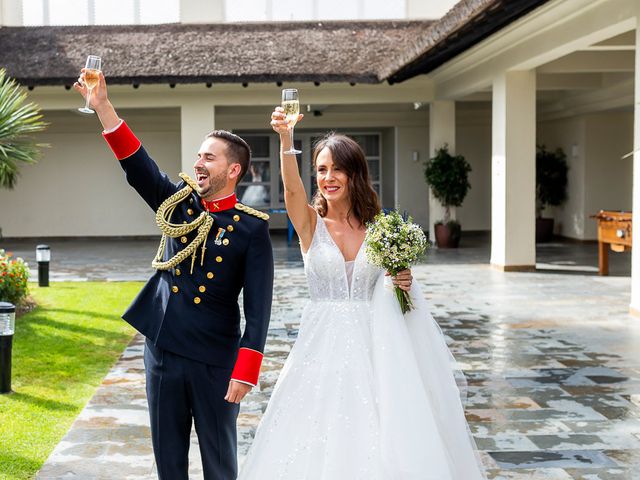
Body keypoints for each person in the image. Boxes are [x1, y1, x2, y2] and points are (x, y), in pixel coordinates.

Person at [238, 108, 486, 479]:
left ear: (355, 174)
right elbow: (292, 189)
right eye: (321, 170)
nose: (328, 178)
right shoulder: (309, 224)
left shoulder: (382, 229)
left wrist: (403, 280)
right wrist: (286, 139)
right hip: (321, 346)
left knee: (380, 429)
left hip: (377, 348)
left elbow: (398, 289)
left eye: (337, 169)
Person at [73, 70, 274, 480]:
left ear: (233, 170)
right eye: (199, 156)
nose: (198, 163)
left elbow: (259, 310)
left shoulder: (251, 229)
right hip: (163, 351)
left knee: (220, 462)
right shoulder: (178, 205)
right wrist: (103, 108)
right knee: (169, 462)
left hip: (215, 361)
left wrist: (245, 370)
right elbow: (137, 165)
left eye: (209, 157)